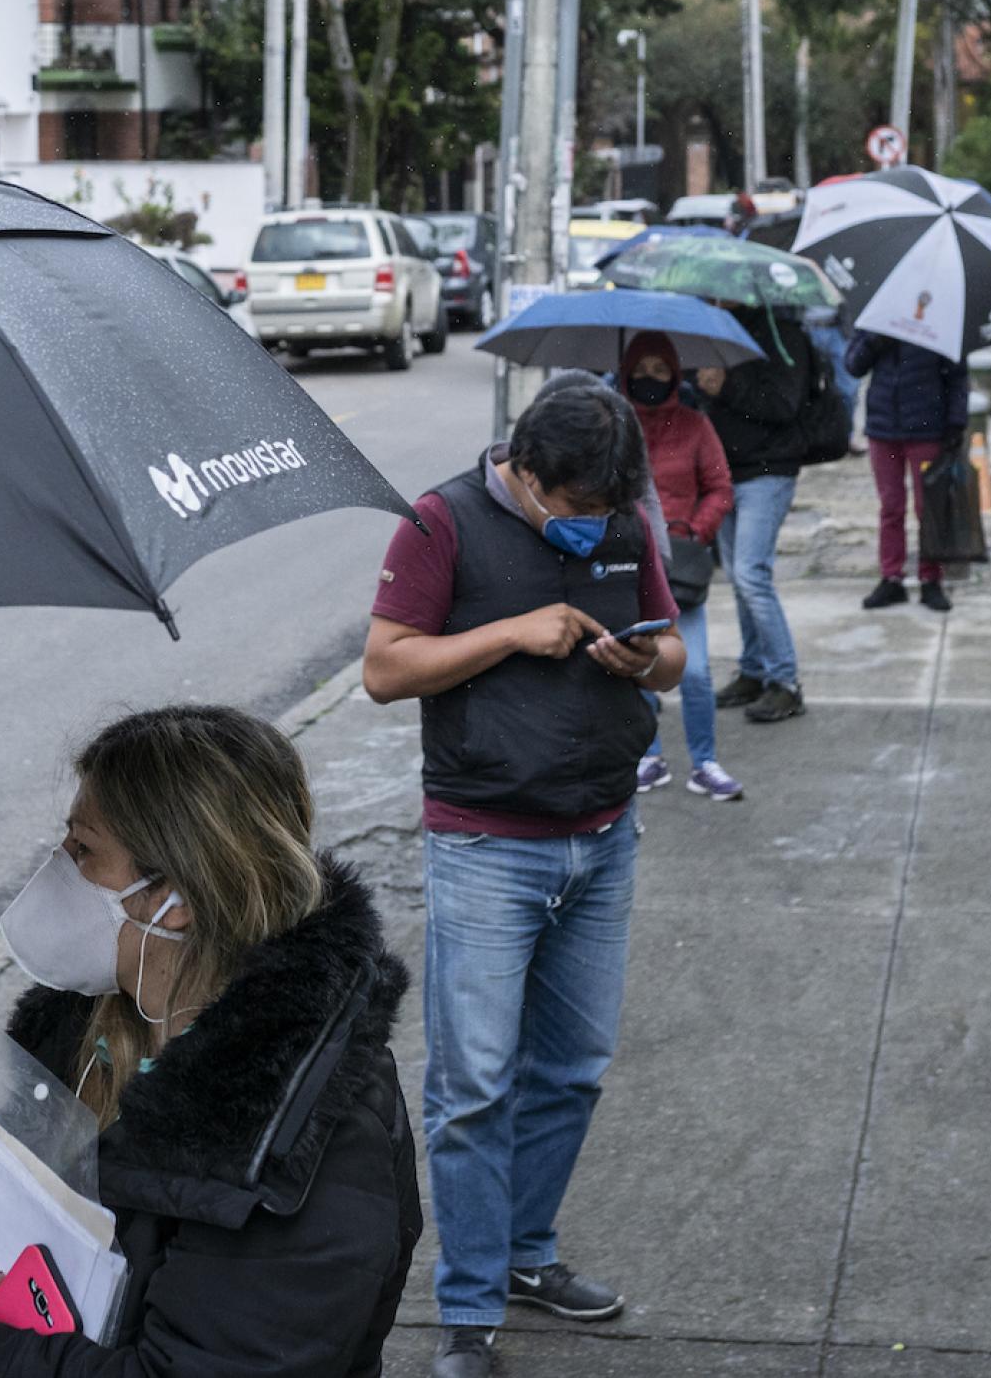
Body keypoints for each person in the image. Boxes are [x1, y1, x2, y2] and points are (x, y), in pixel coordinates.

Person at [0, 706, 418, 1378]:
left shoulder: (299, 1126)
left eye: (82, 848)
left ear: (174, 894)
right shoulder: (81, 1025)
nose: (56, 869)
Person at [360, 374, 686, 1378]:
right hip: (484, 845)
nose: (594, 527)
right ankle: (464, 1311)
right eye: (578, 510)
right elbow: (382, 668)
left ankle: (523, 1255)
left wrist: (648, 664)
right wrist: (510, 630)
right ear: (530, 477)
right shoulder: (438, 523)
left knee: (572, 1070)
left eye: (607, 510)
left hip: (601, 831)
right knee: (473, 1086)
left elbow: (673, 647)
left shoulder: (624, 515)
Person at [618, 334, 738, 801]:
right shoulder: (613, 424)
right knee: (635, 663)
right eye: (640, 368)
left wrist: (694, 532)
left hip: (680, 568)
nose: (650, 378)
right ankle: (649, 757)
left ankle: (705, 762)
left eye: (660, 368)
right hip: (627, 561)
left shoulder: (695, 426)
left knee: (696, 671)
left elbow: (719, 487)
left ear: (675, 373)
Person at [697, 303, 827, 721]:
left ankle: (786, 682)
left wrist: (726, 387)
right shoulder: (718, 331)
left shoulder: (782, 335)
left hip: (769, 471)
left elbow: (784, 404)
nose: (714, 299)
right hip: (726, 470)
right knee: (737, 577)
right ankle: (753, 670)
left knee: (752, 575)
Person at [843, 329, 970, 611]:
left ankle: (931, 578)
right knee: (891, 506)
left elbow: (957, 375)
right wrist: (875, 342)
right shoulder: (876, 318)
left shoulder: (939, 321)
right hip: (883, 427)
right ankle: (891, 578)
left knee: (929, 508)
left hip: (927, 427)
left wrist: (955, 421)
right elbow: (853, 365)